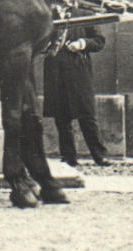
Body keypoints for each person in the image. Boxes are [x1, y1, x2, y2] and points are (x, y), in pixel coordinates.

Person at [45, 24, 110, 166]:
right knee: (61, 118)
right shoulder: (51, 11)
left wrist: (82, 44)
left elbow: (99, 41)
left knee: (87, 115)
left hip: (79, 70)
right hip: (55, 71)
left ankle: (99, 155)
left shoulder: (84, 14)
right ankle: (68, 157)